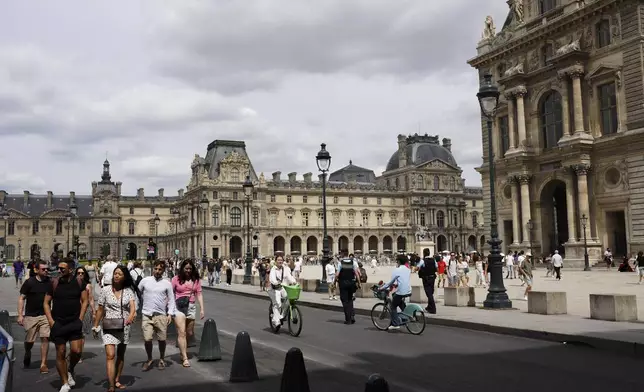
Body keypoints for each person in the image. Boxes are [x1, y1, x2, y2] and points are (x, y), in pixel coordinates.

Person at [43, 258, 89, 392]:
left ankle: (70, 369)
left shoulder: (79, 282)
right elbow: (46, 303)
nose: (59, 270)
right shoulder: (54, 283)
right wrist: (51, 321)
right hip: (58, 323)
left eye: (62, 268)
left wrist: (80, 318)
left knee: (77, 351)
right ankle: (64, 383)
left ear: (71, 270)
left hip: (74, 322)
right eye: (59, 268)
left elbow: (85, 301)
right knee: (60, 352)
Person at [92, 265, 137, 392]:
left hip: (124, 325)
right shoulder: (105, 290)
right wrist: (95, 325)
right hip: (108, 325)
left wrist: (132, 316)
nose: (116, 276)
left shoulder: (128, 291)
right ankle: (111, 385)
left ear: (124, 277)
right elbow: (100, 309)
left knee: (120, 354)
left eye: (119, 274)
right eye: (115, 273)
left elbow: (133, 307)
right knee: (110, 355)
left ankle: (117, 379)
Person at [139, 260, 176, 371]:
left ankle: (161, 358)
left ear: (163, 270)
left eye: (160, 269)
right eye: (156, 268)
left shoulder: (167, 283)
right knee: (147, 339)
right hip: (147, 315)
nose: (157, 271)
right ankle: (149, 358)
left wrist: (170, 313)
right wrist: (135, 307)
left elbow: (172, 300)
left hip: (161, 315)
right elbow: (137, 293)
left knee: (161, 339)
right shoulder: (145, 281)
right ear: (153, 268)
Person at [17, 260, 51, 374]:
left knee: (45, 338)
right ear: (36, 270)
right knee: (29, 341)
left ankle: (43, 364)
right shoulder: (29, 282)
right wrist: (20, 315)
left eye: (47, 269)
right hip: (31, 315)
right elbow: (21, 298)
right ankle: (27, 352)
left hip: (45, 315)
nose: (46, 271)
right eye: (43, 269)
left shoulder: (49, 282)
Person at [171, 259, 205, 368]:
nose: (188, 271)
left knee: (189, 333)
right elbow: (170, 293)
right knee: (182, 332)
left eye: (190, 269)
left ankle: (182, 349)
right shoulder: (176, 279)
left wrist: (202, 309)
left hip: (191, 306)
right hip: (179, 307)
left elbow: (199, 294)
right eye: (186, 269)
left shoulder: (196, 280)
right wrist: (169, 309)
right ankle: (185, 357)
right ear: (182, 269)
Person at [379, 255, 412, 330]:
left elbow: (390, 283)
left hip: (401, 291)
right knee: (398, 301)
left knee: (393, 306)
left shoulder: (396, 270)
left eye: (397, 261)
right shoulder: (408, 269)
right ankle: (405, 316)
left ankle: (395, 324)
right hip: (409, 290)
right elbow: (403, 280)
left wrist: (382, 288)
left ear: (399, 261)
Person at [268, 255, 297, 329]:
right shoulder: (273, 269)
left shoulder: (285, 269)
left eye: (281, 260)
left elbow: (289, 277)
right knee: (277, 303)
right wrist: (275, 282)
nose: (280, 261)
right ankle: (276, 321)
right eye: (278, 260)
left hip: (282, 288)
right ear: (275, 261)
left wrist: (294, 282)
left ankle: (283, 315)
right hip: (274, 289)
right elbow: (272, 278)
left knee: (289, 298)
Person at [75, 266, 95, 363]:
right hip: (74, 310)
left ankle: (79, 354)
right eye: (78, 273)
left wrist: (94, 311)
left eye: (82, 273)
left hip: (85, 310)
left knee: (82, 333)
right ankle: (75, 351)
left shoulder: (88, 285)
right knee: (74, 333)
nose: (80, 275)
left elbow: (90, 299)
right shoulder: (72, 284)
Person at [335, 257, 359, 324]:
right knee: (350, 299)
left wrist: (334, 283)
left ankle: (348, 319)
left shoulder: (340, 263)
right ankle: (352, 315)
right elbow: (357, 274)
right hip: (351, 283)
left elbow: (337, 275)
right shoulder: (353, 262)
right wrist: (359, 283)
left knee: (344, 301)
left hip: (343, 284)